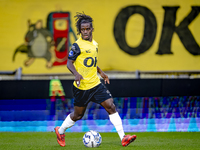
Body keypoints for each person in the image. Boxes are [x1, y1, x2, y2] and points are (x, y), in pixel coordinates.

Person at [54, 12, 136, 147]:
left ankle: (123, 137)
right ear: (80, 31)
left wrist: (101, 72)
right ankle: (60, 130)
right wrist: (76, 74)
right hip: (82, 87)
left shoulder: (95, 44)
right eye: (82, 30)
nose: (85, 32)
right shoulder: (77, 45)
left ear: (92, 29)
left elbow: (90, 62)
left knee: (111, 106)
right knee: (78, 115)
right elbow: (69, 62)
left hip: (96, 84)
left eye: (87, 29)